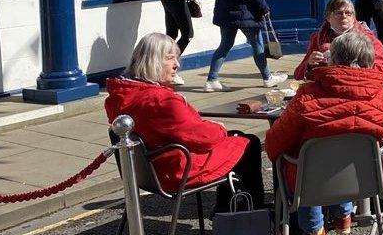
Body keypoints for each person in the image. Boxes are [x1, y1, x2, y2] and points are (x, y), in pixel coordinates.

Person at [266, 31, 383, 235]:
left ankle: (315, 230)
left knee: (300, 161)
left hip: (311, 181)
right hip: (367, 179)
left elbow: (274, 145)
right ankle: (343, 216)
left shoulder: (307, 97)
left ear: (334, 59)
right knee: (344, 153)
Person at [105, 33, 264, 212]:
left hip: (145, 171)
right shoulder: (162, 101)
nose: (177, 65)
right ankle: (251, 215)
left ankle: (227, 210)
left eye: (176, 58)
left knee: (239, 138)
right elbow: (202, 137)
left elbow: (179, 130)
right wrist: (218, 128)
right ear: (152, 61)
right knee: (249, 143)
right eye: (170, 58)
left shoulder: (120, 97)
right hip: (176, 169)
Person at [293, 0, 383, 81]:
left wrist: (352, 64)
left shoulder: (368, 39)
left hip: (357, 85)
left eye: (348, 13)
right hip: (325, 88)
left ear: (354, 17)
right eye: (339, 13)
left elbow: (382, 71)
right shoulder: (318, 39)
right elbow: (298, 75)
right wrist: (309, 63)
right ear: (328, 17)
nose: (344, 17)